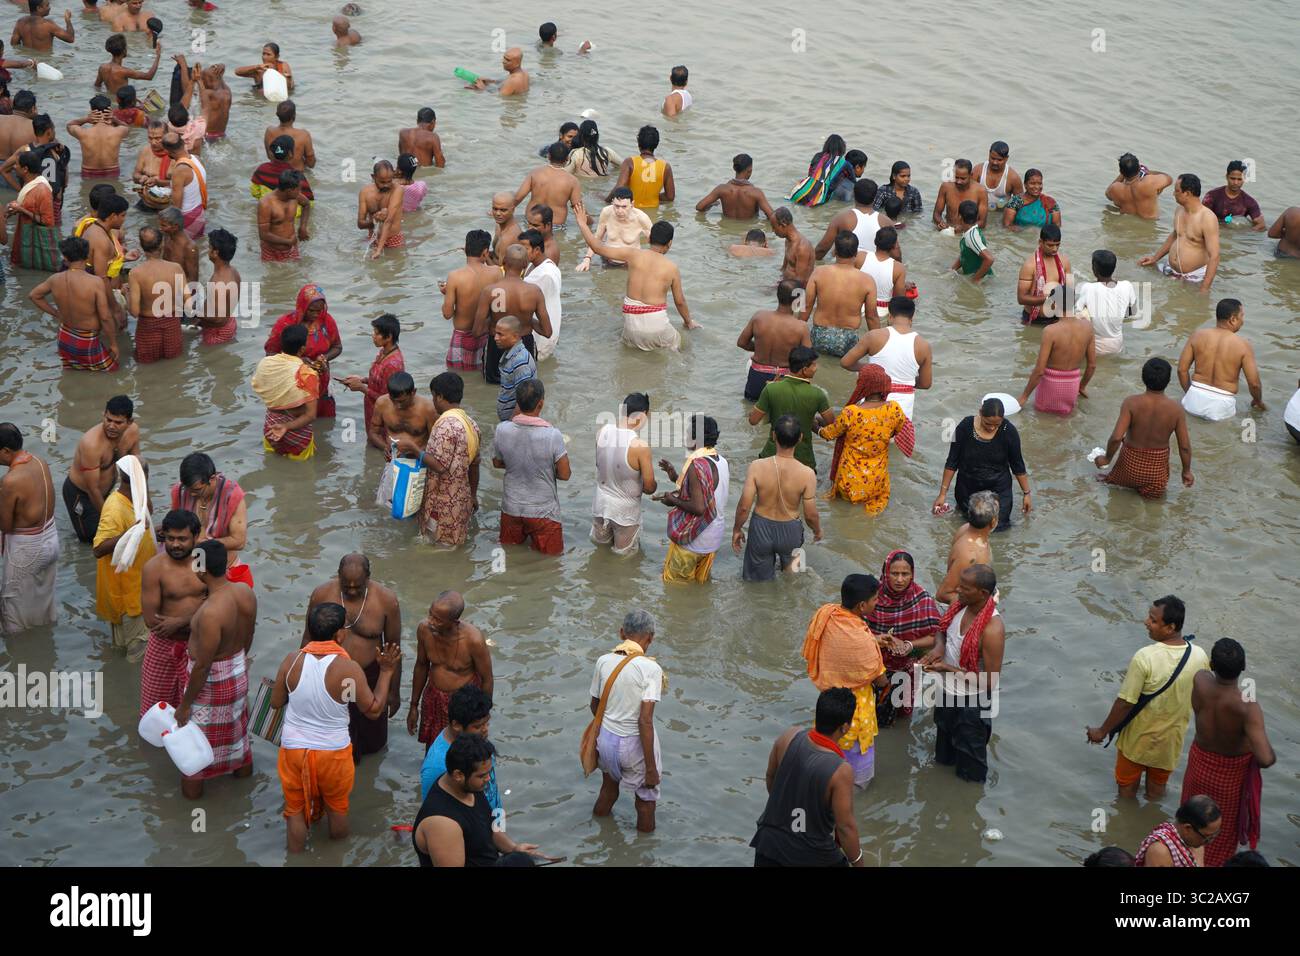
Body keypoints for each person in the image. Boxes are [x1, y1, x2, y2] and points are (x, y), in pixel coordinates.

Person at [273, 602, 399, 852]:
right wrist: (385, 672)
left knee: (295, 812)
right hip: (333, 754)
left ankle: (294, 859)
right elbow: (373, 710)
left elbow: (276, 702)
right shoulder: (347, 669)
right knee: (337, 809)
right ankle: (335, 857)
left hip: (294, 751)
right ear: (340, 634)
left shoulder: (291, 660)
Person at [1086, 595, 1210, 799]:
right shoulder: (1199, 656)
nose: (1146, 622)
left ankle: (1126, 828)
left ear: (1170, 627)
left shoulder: (1145, 657)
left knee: (1126, 794)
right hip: (1169, 745)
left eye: (1153, 620)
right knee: (1156, 794)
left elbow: (1125, 702)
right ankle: (1155, 827)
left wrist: (1101, 731)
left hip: (1136, 743)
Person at [1182, 638, 1275, 867]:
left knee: (1191, 822)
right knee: (1217, 836)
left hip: (1198, 766)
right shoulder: (1247, 706)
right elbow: (1265, 759)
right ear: (1243, 668)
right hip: (1228, 782)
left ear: (1212, 665)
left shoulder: (1201, 680)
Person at [174, 539, 257, 798]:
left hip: (212, 683)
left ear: (201, 568)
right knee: (237, 734)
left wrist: (185, 705)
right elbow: (248, 637)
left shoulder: (210, 612)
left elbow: (202, 666)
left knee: (193, 751)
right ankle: (244, 788)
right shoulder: (245, 593)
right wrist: (238, 665)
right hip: (237, 669)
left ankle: (191, 806)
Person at [302, 555, 402, 758]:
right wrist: (303, 683)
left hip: (371, 677)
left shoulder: (386, 601)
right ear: (338, 576)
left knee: (374, 743)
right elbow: (307, 640)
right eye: (347, 586)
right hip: (332, 677)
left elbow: (393, 650)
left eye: (358, 586)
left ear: (369, 578)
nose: (353, 591)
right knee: (336, 742)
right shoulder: (322, 595)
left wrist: (394, 692)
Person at [750, 687, 864, 866]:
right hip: (813, 855)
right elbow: (845, 827)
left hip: (768, 845)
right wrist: (858, 862)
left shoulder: (788, 737)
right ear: (845, 727)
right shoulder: (841, 771)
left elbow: (770, 777)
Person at [574, 198, 698, 349]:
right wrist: (688, 322)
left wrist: (581, 222)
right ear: (669, 243)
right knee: (682, 346)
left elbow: (597, 247)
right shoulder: (671, 268)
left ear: (650, 238)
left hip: (630, 326)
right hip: (656, 326)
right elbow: (680, 302)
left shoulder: (632, 254)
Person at [801, 574, 889, 787]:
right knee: (855, 768)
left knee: (828, 752)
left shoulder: (827, 614)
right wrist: (886, 686)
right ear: (861, 605)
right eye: (875, 599)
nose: (877, 602)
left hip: (828, 703)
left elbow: (841, 647)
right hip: (854, 710)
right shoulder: (862, 640)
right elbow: (880, 680)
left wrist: (874, 640)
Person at [920, 564, 1004, 783]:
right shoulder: (959, 606)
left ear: (983, 594)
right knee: (943, 758)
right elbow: (941, 629)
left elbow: (990, 682)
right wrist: (939, 648)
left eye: (965, 588)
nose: (957, 590)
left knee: (971, 773)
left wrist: (947, 668)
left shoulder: (992, 629)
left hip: (972, 706)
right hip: (946, 695)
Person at [590, 609, 665, 832]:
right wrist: (651, 768)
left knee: (608, 790)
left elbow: (594, 706)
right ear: (650, 638)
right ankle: (642, 853)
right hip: (634, 745)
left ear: (622, 633)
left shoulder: (603, 661)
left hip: (605, 741)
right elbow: (644, 721)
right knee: (645, 802)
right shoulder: (651, 668)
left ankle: (598, 831)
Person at [413, 734, 541, 866]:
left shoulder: (469, 787)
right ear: (458, 775)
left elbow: (489, 829)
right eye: (482, 775)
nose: (488, 779)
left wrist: (514, 849)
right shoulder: (443, 824)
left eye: (488, 773)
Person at [839, 295, 932, 455]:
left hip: (871, 403)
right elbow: (925, 383)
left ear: (890, 315)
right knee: (889, 453)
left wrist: (871, 369)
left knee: (863, 448)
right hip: (902, 410)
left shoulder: (874, 336)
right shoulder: (923, 345)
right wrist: (905, 381)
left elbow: (846, 362)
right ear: (912, 318)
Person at [732, 414, 820, 581]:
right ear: (800, 438)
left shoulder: (756, 466)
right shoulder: (807, 473)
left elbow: (744, 506)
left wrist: (737, 529)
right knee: (793, 578)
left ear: (774, 436)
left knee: (756, 583)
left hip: (761, 529)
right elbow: (810, 514)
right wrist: (817, 530)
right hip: (791, 531)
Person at [1094, 358, 1194, 499]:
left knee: (1115, 498)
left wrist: (1106, 459)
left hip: (1128, 467)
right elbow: (1184, 447)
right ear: (1168, 380)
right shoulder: (1176, 410)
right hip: (1155, 473)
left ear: (1143, 377)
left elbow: (1116, 437)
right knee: (1154, 510)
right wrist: (1186, 471)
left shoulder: (1131, 403)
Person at [818, 364, 909, 514]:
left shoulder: (851, 412)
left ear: (862, 385)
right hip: (876, 482)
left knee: (844, 515)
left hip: (849, 481)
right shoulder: (894, 409)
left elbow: (829, 434)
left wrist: (815, 426)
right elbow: (896, 431)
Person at [409, 590, 494, 752]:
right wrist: (413, 706)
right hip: (433, 699)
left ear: (454, 622)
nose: (431, 622)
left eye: (438, 620)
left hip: (463, 704)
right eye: (430, 615)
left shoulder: (473, 640)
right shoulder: (424, 630)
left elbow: (487, 679)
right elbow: (421, 665)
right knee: (434, 747)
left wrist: (482, 718)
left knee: (465, 751)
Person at [138, 509, 205, 715]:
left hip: (200, 645)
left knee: (197, 711)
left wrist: (180, 622)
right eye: (170, 538)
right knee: (154, 711)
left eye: (182, 539)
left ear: (196, 537)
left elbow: (217, 599)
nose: (175, 544)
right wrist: (197, 621)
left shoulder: (202, 558)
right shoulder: (154, 568)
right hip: (163, 647)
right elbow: (152, 622)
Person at [491, 378, 568, 553]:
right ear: (541, 403)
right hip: (544, 512)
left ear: (517, 403)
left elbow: (497, 462)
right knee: (551, 564)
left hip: (511, 508)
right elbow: (565, 474)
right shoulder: (552, 435)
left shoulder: (502, 429)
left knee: (510, 556)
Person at [933, 397, 1031, 530]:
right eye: (987, 423)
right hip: (968, 487)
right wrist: (942, 494)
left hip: (999, 489)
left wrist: (1026, 494)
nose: (992, 428)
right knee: (970, 528)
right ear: (980, 413)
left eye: (997, 425)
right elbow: (952, 461)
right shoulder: (965, 427)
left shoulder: (1008, 431)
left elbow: (1017, 465)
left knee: (999, 528)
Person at [92, 455, 153, 660]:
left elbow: (142, 529)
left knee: (123, 648)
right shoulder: (115, 508)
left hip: (139, 586)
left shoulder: (137, 499)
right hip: (128, 595)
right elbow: (99, 548)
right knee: (139, 656)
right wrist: (130, 533)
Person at [868, 550, 941, 721]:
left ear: (912, 574)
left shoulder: (922, 599)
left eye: (905, 574)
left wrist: (909, 644)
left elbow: (937, 635)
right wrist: (880, 641)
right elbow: (853, 631)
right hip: (873, 667)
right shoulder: (871, 596)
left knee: (901, 715)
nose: (900, 580)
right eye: (894, 573)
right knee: (869, 714)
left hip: (906, 669)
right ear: (886, 573)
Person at [0, 423, 58, 634]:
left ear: (6, 451)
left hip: (27, 551)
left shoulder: (10, 481)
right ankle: (45, 645)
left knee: (13, 609)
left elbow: (5, 525)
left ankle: (18, 656)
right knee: (43, 602)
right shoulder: (40, 462)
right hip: (51, 539)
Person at [657, 414, 728, 584]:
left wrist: (672, 500)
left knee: (675, 588)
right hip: (713, 539)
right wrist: (673, 474)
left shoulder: (696, 465)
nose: (685, 436)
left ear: (697, 439)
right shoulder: (721, 461)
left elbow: (699, 507)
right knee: (699, 585)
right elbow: (705, 489)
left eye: (688, 433)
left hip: (694, 541)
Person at [30, 237, 118, 371]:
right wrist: (113, 344)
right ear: (88, 256)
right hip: (86, 339)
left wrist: (56, 313)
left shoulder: (54, 279)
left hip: (64, 337)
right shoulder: (95, 282)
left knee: (73, 372)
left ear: (65, 257)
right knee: (112, 372)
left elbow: (34, 295)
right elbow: (105, 317)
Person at [64, 395, 140, 544]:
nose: (111, 426)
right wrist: (110, 517)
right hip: (82, 494)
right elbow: (92, 489)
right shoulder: (91, 444)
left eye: (118, 422)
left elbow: (136, 468)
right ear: (103, 415)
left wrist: (141, 502)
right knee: (91, 540)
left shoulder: (133, 432)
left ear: (130, 422)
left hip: (106, 490)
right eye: (108, 420)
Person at [417, 372, 481, 548]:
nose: (433, 401)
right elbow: (475, 464)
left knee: (434, 547)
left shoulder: (445, 425)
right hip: (462, 500)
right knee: (453, 547)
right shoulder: (471, 424)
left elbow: (440, 466)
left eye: (433, 396)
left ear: (440, 396)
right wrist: (473, 495)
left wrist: (414, 450)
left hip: (441, 503)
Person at [170, 452, 252, 587]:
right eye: (187, 489)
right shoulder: (179, 491)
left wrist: (202, 545)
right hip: (188, 564)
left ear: (212, 479)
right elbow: (175, 525)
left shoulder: (232, 495)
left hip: (222, 568)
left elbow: (239, 542)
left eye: (197, 490)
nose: (191, 494)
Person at [473, 245, 552, 382]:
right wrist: (528, 321)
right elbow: (547, 331)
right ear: (525, 265)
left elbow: (477, 331)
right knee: (525, 386)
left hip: (496, 344)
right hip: (524, 344)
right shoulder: (534, 292)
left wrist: (494, 320)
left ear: (503, 262)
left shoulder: (489, 291)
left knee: (493, 389)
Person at [591, 392, 656, 556]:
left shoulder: (602, 432)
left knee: (600, 552)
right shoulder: (640, 446)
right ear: (643, 415)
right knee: (624, 559)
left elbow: (599, 465)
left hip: (600, 505)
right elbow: (649, 487)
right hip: (625, 513)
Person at [1178, 298, 1263, 421]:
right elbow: (1254, 384)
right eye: (1241, 316)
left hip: (1193, 400)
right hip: (1221, 406)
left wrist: (1190, 393)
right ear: (1233, 319)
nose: (1243, 321)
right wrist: (1258, 401)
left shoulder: (1197, 335)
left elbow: (1181, 370)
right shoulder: (1243, 345)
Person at [264, 283, 342, 418]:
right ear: (302, 306)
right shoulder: (285, 324)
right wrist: (298, 361)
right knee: (298, 422)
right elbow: (271, 354)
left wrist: (324, 358)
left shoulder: (327, 321)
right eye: (312, 311)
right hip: (294, 385)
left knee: (323, 422)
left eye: (320, 310)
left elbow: (337, 347)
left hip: (320, 381)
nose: (316, 314)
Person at [749, 346, 830, 470]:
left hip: (771, 456)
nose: (816, 368)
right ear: (804, 370)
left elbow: (753, 420)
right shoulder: (818, 394)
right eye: (813, 365)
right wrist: (812, 421)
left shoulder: (771, 389)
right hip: (803, 460)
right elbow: (832, 423)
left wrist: (766, 396)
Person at [419, 685, 500, 807]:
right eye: (478, 726)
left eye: (487, 723)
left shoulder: (476, 739)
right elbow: (434, 812)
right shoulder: (437, 766)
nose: (485, 730)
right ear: (456, 725)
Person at [251, 323, 321, 460]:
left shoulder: (266, 363)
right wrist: (286, 426)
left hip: (271, 426)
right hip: (297, 433)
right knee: (303, 473)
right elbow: (311, 415)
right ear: (302, 349)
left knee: (271, 464)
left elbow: (259, 387)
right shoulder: (307, 373)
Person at [1016, 297, 1096, 415]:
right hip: (1072, 386)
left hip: (1050, 386)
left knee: (1042, 423)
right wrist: (1082, 386)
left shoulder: (1050, 331)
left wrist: (1024, 396)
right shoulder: (1088, 327)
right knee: (1065, 425)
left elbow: (1039, 371)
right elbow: (1092, 366)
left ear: (1053, 305)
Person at [1139, 173, 1220, 290]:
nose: (1173, 194)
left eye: (1176, 191)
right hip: (1170, 271)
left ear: (1187, 193)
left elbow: (1215, 256)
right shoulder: (1179, 210)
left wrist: (1205, 288)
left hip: (1195, 277)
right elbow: (1175, 235)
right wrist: (1155, 258)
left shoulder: (1207, 218)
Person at [736, 279, 811, 401]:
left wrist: (761, 347)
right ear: (798, 300)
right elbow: (807, 360)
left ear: (777, 295)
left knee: (751, 410)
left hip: (756, 375)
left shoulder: (758, 317)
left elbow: (741, 343)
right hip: (783, 379)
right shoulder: (801, 327)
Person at [805, 231, 877, 357]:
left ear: (835, 251)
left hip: (820, 335)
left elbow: (805, 306)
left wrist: (795, 329)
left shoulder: (818, 272)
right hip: (848, 339)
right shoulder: (867, 280)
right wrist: (878, 345)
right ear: (856, 253)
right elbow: (871, 317)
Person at [126, 225, 185, 363]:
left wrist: (127, 294)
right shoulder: (176, 268)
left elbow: (134, 312)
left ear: (141, 246)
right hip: (172, 325)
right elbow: (187, 300)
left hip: (148, 327)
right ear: (162, 244)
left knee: (146, 367)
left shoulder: (136, 273)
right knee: (173, 366)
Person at [339, 313, 405, 437]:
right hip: (372, 408)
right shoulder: (383, 352)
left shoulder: (393, 364)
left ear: (389, 337)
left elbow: (388, 398)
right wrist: (363, 380)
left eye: (377, 333)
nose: (373, 336)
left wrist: (361, 388)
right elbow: (381, 381)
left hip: (383, 415)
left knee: (381, 444)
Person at [441, 229, 497, 371]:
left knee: (458, 380)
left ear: (465, 249)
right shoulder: (496, 272)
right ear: (485, 252)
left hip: (461, 337)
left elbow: (447, 314)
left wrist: (447, 294)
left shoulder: (455, 276)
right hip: (487, 336)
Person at [934, 491, 997, 605]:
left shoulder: (967, 528)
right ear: (993, 521)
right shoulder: (969, 555)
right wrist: (984, 604)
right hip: (965, 610)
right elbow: (943, 594)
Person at [1074, 249, 1139, 355]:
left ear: (1094, 269)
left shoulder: (1088, 288)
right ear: (1114, 267)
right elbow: (1132, 311)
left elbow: (1078, 315)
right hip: (1117, 344)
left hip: (1095, 346)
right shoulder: (1127, 285)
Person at [813, 178, 887, 261]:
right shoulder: (886, 222)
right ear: (875, 197)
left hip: (846, 267)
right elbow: (896, 253)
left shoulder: (841, 219)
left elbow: (822, 249)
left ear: (854, 195)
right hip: (873, 268)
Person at [1134, 796, 1221, 867]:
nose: (1210, 841)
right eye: (1207, 837)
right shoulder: (1160, 851)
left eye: (1214, 835)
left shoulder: (1196, 841)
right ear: (1188, 828)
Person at [7, 150, 57, 270]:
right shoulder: (29, 184)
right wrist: (16, 210)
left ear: (25, 169)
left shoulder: (42, 190)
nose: (14, 167)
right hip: (24, 236)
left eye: (17, 164)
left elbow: (48, 222)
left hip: (34, 242)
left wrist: (21, 210)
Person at [577, 188, 651, 270]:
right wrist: (587, 259)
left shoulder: (641, 218)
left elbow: (656, 244)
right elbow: (597, 238)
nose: (619, 211)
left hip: (629, 264)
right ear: (612, 202)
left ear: (632, 204)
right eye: (617, 206)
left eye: (624, 207)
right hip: (607, 260)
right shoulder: (606, 212)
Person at [1016, 224, 1072, 324]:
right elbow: (1021, 298)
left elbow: (1070, 293)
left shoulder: (1065, 262)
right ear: (1040, 242)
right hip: (1034, 321)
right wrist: (1049, 298)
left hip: (1057, 319)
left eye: (1057, 245)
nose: (1055, 249)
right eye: (1050, 245)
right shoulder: (1029, 265)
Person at [609, 125, 674, 210]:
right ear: (656, 144)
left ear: (638, 143)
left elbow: (619, 188)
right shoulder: (665, 167)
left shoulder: (630, 162)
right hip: (653, 214)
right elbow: (670, 197)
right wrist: (652, 196)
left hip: (631, 211)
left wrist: (606, 200)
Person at [695, 152, 775, 220]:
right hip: (747, 233)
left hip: (725, 234)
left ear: (734, 168)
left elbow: (699, 207)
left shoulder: (721, 189)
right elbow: (772, 217)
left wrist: (712, 204)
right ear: (750, 170)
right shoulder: (756, 193)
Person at [521, 228, 562, 358]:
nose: (520, 253)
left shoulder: (544, 275)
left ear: (537, 250)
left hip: (541, 337)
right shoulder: (542, 265)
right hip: (547, 330)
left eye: (524, 249)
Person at [162, 130, 207, 239]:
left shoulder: (179, 170)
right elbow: (190, 185)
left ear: (169, 152)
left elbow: (176, 208)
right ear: (183, 144)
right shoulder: (195, 158)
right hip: (199, 214)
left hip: (186, 218)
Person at [789, 134, 855, 207]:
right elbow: (853, 183)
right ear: (842, 148)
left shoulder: (817, 155)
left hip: (798, 191)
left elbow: (810, 174)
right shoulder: (845, 164)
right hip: (817, 198)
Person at [258, 168, 310, 261]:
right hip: (271, 251)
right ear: (289, 190)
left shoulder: (295, 196)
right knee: (274, 275)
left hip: (292, 249)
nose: (300, 192)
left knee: (298, 274)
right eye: (298, 189)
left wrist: (302, 227)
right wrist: (288, 241)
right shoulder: (266, 204)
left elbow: (306, 205)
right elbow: (263, 234)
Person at [200, 228, 241, 345]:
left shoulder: (219, 283)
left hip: (218, 332)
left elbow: (218, 320)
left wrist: (195, 313)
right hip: (230, 323)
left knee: (208, 361)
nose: (207, 250)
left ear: (215, 252)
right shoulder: (233, 271)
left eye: (209, 247)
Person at [357, 159, 405, 257]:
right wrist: (374, 220)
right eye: (382, 182)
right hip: (373, 238)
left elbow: (389, 220)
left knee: (394, 269)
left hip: (393, 240)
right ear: (373, 177)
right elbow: (360, 224)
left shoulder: (397, 190)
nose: (386, 185)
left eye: (389, 181)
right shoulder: (365, 192)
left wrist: (379, 249)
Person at [856, 227, 906, 318]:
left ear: (875, 241)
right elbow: (899, 299)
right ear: (894, 246)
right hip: (882, 313)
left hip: (858, 307)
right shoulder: (899, 268)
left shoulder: (860, 257)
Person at [1105, 152, 1172, 219]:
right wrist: (1148, 172)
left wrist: (1122, 174)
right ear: (1139, 168)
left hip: (1126, 224)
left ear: (1121, 171)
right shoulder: (1149, 182)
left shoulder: (1115, 188)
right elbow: (1169, 179)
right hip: (1149, 223)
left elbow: (1108, 195)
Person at [1202, 161, 1264, 229]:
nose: (1235, 182)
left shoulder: (1249, 202)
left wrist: (1246, 234)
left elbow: (1261, 225)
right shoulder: (1212, 196)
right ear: (1227, 177)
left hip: (1236, 236)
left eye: (1239, 179)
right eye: (1233, 178)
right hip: (1216, 231)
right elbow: (1201, 218)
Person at [95, 32, 160, 96]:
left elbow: (97, 86)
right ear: (124, 50)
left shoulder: (102, 68)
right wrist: (158, 56)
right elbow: (149, 76)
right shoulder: (124, 71)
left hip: (111, 100)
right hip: (122, 103)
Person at [933, 159, 987, 230]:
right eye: (956, 177)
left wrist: (964, 228)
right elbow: (936, 214)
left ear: (971, 175)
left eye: (963, 178)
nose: (958, 181)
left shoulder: (981, 191)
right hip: (949, 230)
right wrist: (941, 223)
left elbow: (982, 222)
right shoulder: (945, 187)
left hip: (968, 232)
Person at [261, 101, 314, 171]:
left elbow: (269, 156)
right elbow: (311, 164)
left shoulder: (269, 131)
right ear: (294, 116)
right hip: (296, 176)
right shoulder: (304, 135)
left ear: (277, 114)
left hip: (275, 172)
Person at [972, 141, 1022, 210]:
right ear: (989, 154)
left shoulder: (1013, 178)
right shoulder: (978, 171)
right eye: (992, 158)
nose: (995, 162)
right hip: (980, 211)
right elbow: (968, 193)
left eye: (999, 160)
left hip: (1001, 214)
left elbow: (1019, 202)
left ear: (1006, 158)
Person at [951, 200, 993, 281]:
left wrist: (974, 280)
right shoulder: (968, 231)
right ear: (977, 217)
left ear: (959, 217)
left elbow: (989, 259)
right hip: (972, 275)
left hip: (984, 280)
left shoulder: (972, 237)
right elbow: (965, 253)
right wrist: (952, 269)